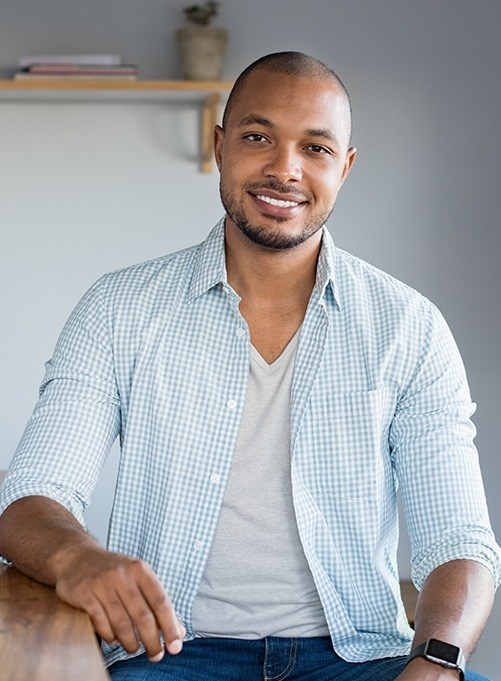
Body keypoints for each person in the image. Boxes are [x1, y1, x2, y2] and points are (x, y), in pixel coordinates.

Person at [0, 52, 499, 681]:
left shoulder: (411, 328)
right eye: (258, 137)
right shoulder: (117, 309)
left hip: (358, 658)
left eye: (315, 148)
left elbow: (459, 543)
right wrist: (78, 558)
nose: (284, 169)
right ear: (220, 146)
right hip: (169, 653)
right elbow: (29, 497)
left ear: (344, 168)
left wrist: (435, 665)